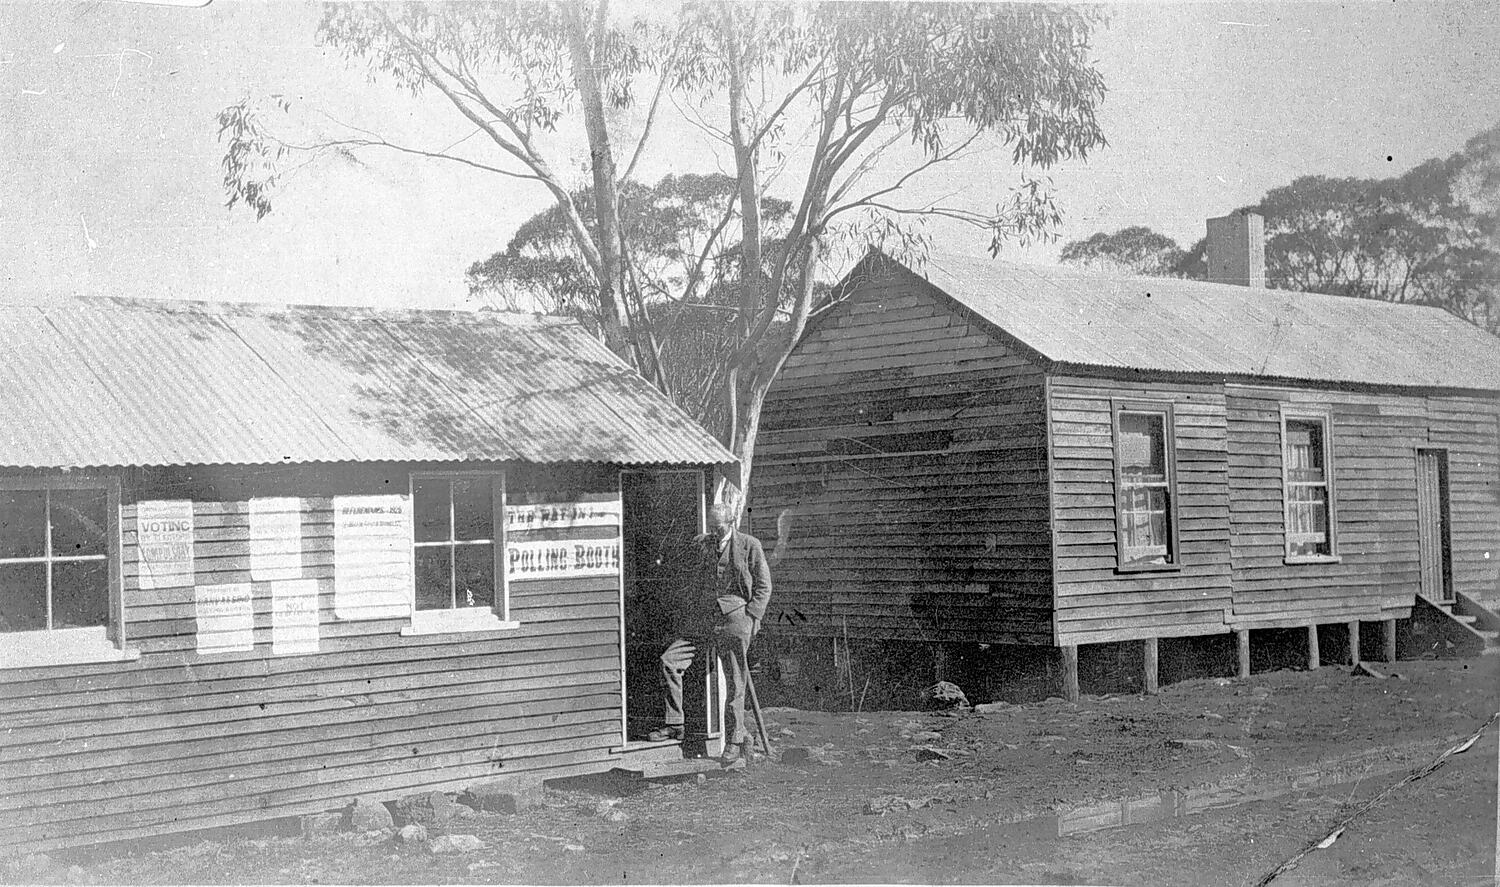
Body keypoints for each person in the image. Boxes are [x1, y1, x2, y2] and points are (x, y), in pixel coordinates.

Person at [648, 501, 773, 765]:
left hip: (735, 620)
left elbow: (764, 586)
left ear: (731, 523)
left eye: (719, 528)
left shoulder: (750, 545)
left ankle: (735, 740)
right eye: (711, 528)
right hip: (704, 620)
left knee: (735, 683)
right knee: (669, 661)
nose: (715, 533)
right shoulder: (702, 544)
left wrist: (751, 618)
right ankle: (675, 723)